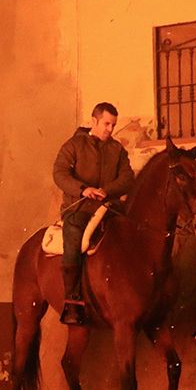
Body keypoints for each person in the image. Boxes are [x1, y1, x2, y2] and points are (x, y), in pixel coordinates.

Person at [52, 102, 134, 326]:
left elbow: (128, 178)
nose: (110, 129)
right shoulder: (73, 145)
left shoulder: (117, 150)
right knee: (74, 239)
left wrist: (107, 191)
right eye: (106, 124)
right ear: (94, 121)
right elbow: (59, 173)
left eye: (113, 125)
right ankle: (72, 300)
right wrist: (83, 190)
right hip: (79, 209)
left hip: (109, 208)